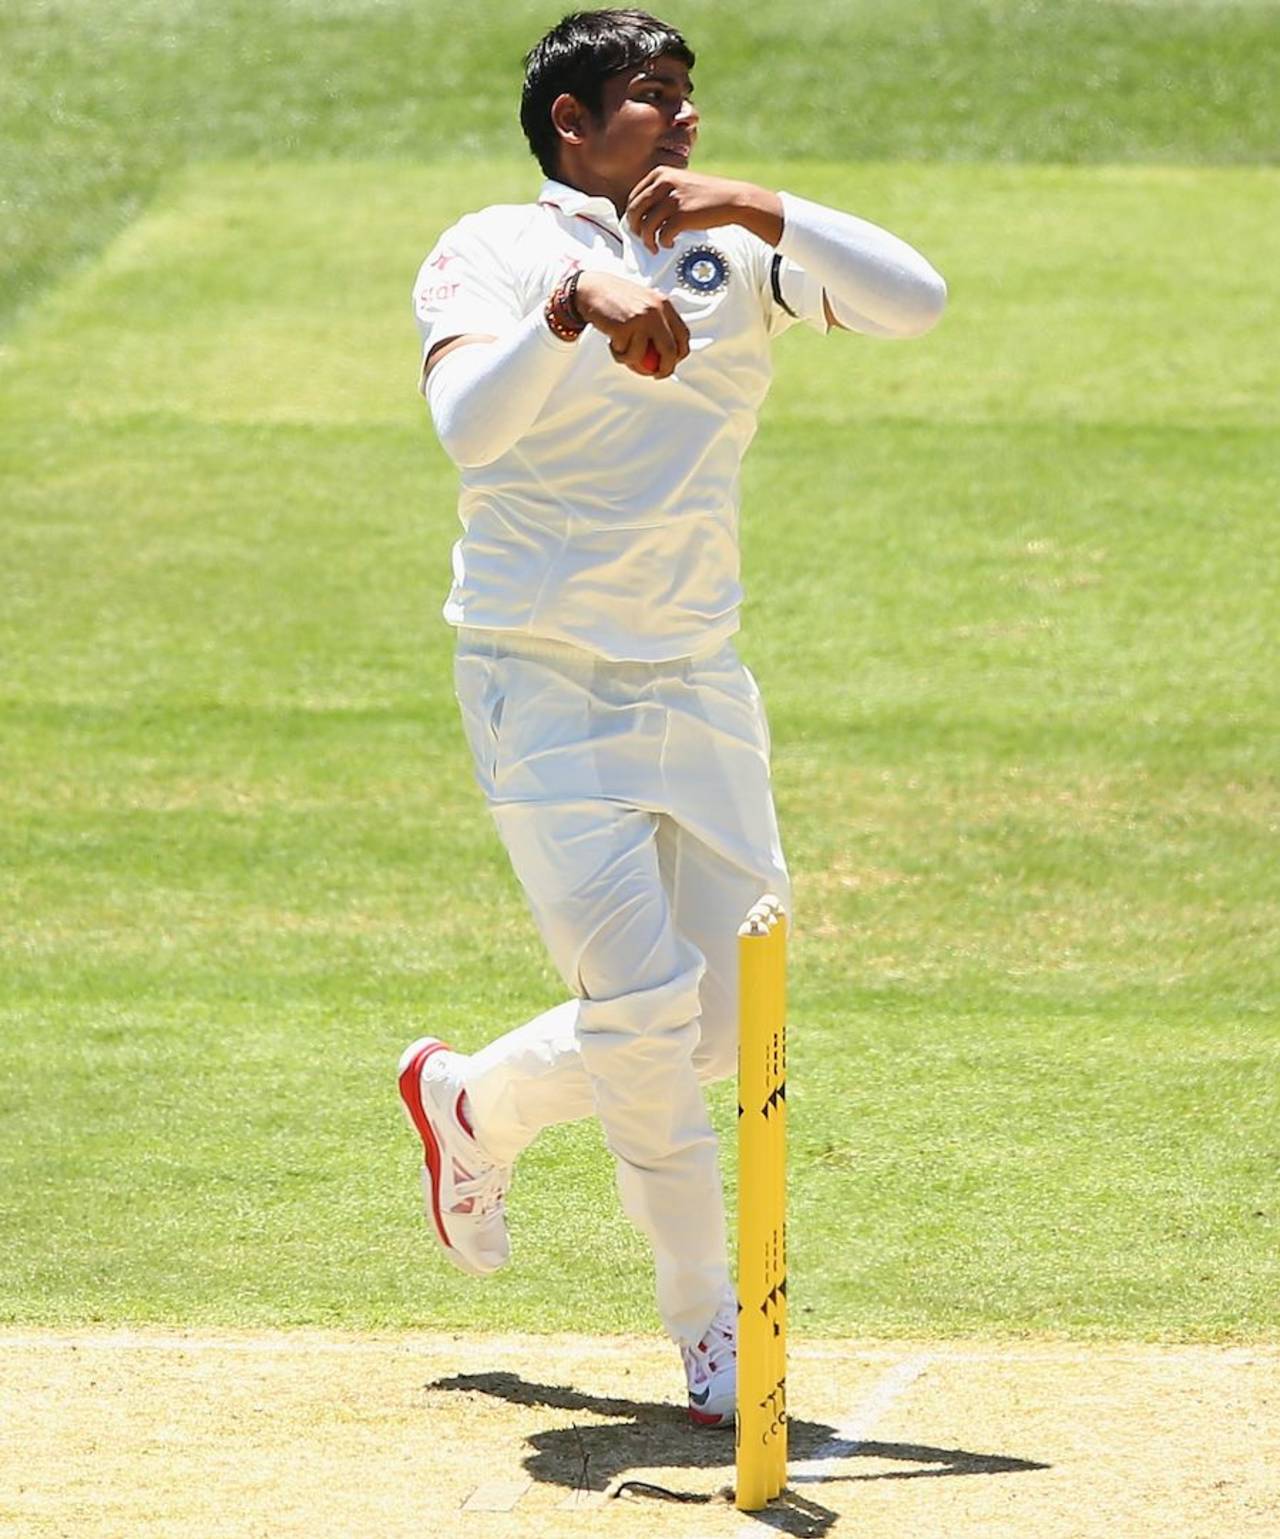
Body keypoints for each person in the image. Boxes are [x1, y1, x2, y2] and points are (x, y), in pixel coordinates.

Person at [399, 8, 946, 1427]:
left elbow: (918, 302)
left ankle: (479, 1104)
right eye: (651, 99)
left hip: (698, 677)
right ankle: (713, 1332)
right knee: (642, 1018)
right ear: (573, 126)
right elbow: (470, 426)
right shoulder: (495, 251)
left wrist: (758, 206)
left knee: (720, 1025)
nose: (684, 123)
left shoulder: (734, 248)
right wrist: (574, 305)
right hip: (540, 678)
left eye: (690, 98)